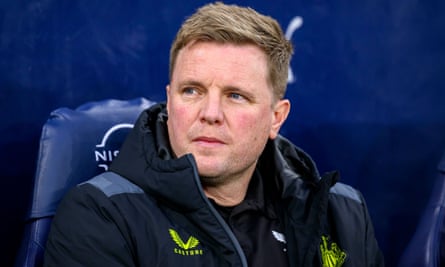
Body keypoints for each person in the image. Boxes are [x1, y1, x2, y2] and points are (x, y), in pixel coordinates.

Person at [44, 2, 384, 266]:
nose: (209, 114)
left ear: (275, 119)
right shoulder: (101, 215)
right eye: (191, 91)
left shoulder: (343, 213)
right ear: (169, 99)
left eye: (236, 96)